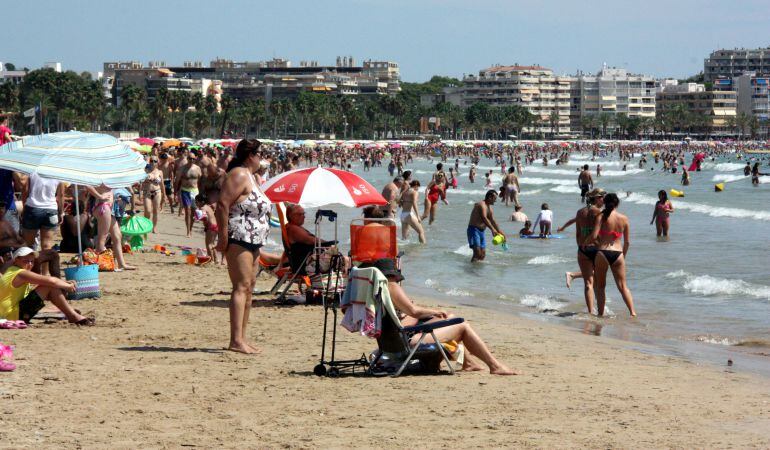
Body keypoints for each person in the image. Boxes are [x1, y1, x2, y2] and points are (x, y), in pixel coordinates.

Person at [361, 258, 519, 375]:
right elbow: (414, 312)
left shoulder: (376, 290)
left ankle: (467, 363)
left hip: (392, 343)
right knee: (462, 325)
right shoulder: (391, 286)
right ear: (391, 275)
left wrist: (415, 312)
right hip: (407, 342)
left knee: (449, 317)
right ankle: (494, 365)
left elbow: (405, 318)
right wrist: (433, 311)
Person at [215, 139, 271, 354]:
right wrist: (222, 236)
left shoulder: (252, 177)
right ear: (251, 155)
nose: (262, 158)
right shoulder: (238, 174)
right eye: (260, 153)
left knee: (249, 288)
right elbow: (222, 204)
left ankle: (242, 338)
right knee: (241, 286)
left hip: (254, 238)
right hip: (239, 235)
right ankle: (235, 340)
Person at [0, 247, 93, 325]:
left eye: (32, 261)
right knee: (50, 286)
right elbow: (50, 280)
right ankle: (72, 315)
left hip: (8, 314)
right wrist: (67, 286)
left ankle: (71, 314)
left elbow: (41, 284)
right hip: (12, 316)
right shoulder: (21, 273)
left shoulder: (11, 271)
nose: (29, 264)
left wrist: (62, 282)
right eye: (26, 261)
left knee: (50, 286)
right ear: (16, 260)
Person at [557, 188, 605, 314]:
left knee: (589, 282)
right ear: (596, 198)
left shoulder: (580, 212)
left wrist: (581, 245)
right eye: (602, 197)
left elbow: (578, 232)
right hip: (596, 249)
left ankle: (590, 312)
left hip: (583, 249)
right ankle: (599, 312)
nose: (604, 199)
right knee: (598, 283)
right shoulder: (599, 213)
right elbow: (602, 233)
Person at [589, 193, 636, 317]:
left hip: (602, 253)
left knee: (600, 286)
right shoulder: (624, 218)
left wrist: (586, 243)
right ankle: (632, 312)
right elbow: (627, 242)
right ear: (617, 203)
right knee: (623, 286)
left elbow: (594, 236)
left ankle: (600, 314)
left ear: (605, 202)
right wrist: (623, 256)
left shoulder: (601, 216)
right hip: (618, 253)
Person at [20, 173, 64, 275]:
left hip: (33, 207)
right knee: (47, 246)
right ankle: (44, 275)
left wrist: (24, 205)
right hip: (51, 209)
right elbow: (61, 194)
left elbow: (25, 189)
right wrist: (61, 212)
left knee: (29, 245)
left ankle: (30, 273)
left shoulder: (33, 170)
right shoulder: (58, 172)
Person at [467, 190, 504, 263]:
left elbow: (493, 221)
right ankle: (471, 271)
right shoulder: (481, 205)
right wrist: (493, 230)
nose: (495, 201)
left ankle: (477, 271)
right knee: (477, 253)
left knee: (482, 254)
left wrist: (501, 232)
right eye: (495, 199)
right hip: (473, 230)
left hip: (482, 232)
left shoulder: (489, 208)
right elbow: (484, 217)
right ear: (490, 197)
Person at [175, 150, 202, 237]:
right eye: (190, 158)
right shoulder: (182, 168)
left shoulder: (197, 168)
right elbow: (177, 181)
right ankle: (188, 231)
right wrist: (175, 192)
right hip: (185, 190)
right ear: (187, 158)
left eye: (193, 159)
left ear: (195, 159)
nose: (191, 160)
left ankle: (190, 228)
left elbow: (201, 181)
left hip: (195, 191)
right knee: (188, 211)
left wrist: (202, 192)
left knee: (193, 212)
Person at [195, 194, 220, 265]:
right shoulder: (208, 207)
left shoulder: (203, 208)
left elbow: (205, 218)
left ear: (202, 202)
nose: (196, 204)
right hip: (216, 225)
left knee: (208, 244)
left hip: (211, 226)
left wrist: (205, 224)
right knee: (212, 244)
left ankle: (211, 259)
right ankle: (216, 259)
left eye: (197, 202)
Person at [141, 158, 164, 233]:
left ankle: (154, 228)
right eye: (151, 161)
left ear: (157, 162)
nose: (153, 162)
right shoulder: (145, 171)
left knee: (155, 211)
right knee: (147, 210)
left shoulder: (160, 172)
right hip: (147, 192)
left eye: (155, 161)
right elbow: (141, 182)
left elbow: (162, 184)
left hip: (157, 192)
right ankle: (146, 226)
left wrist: (164, 195)